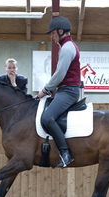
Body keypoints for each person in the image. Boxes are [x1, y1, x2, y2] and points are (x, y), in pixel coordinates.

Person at [38, 16, 81, 168]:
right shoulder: (67, 46)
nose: (51, 36)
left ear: (60, 31)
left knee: (47, 118)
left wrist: (45, 89)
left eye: (52, 33)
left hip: (68, 91)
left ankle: (65, 153)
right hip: (65, 90)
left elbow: (60, 74)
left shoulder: (68, 47)